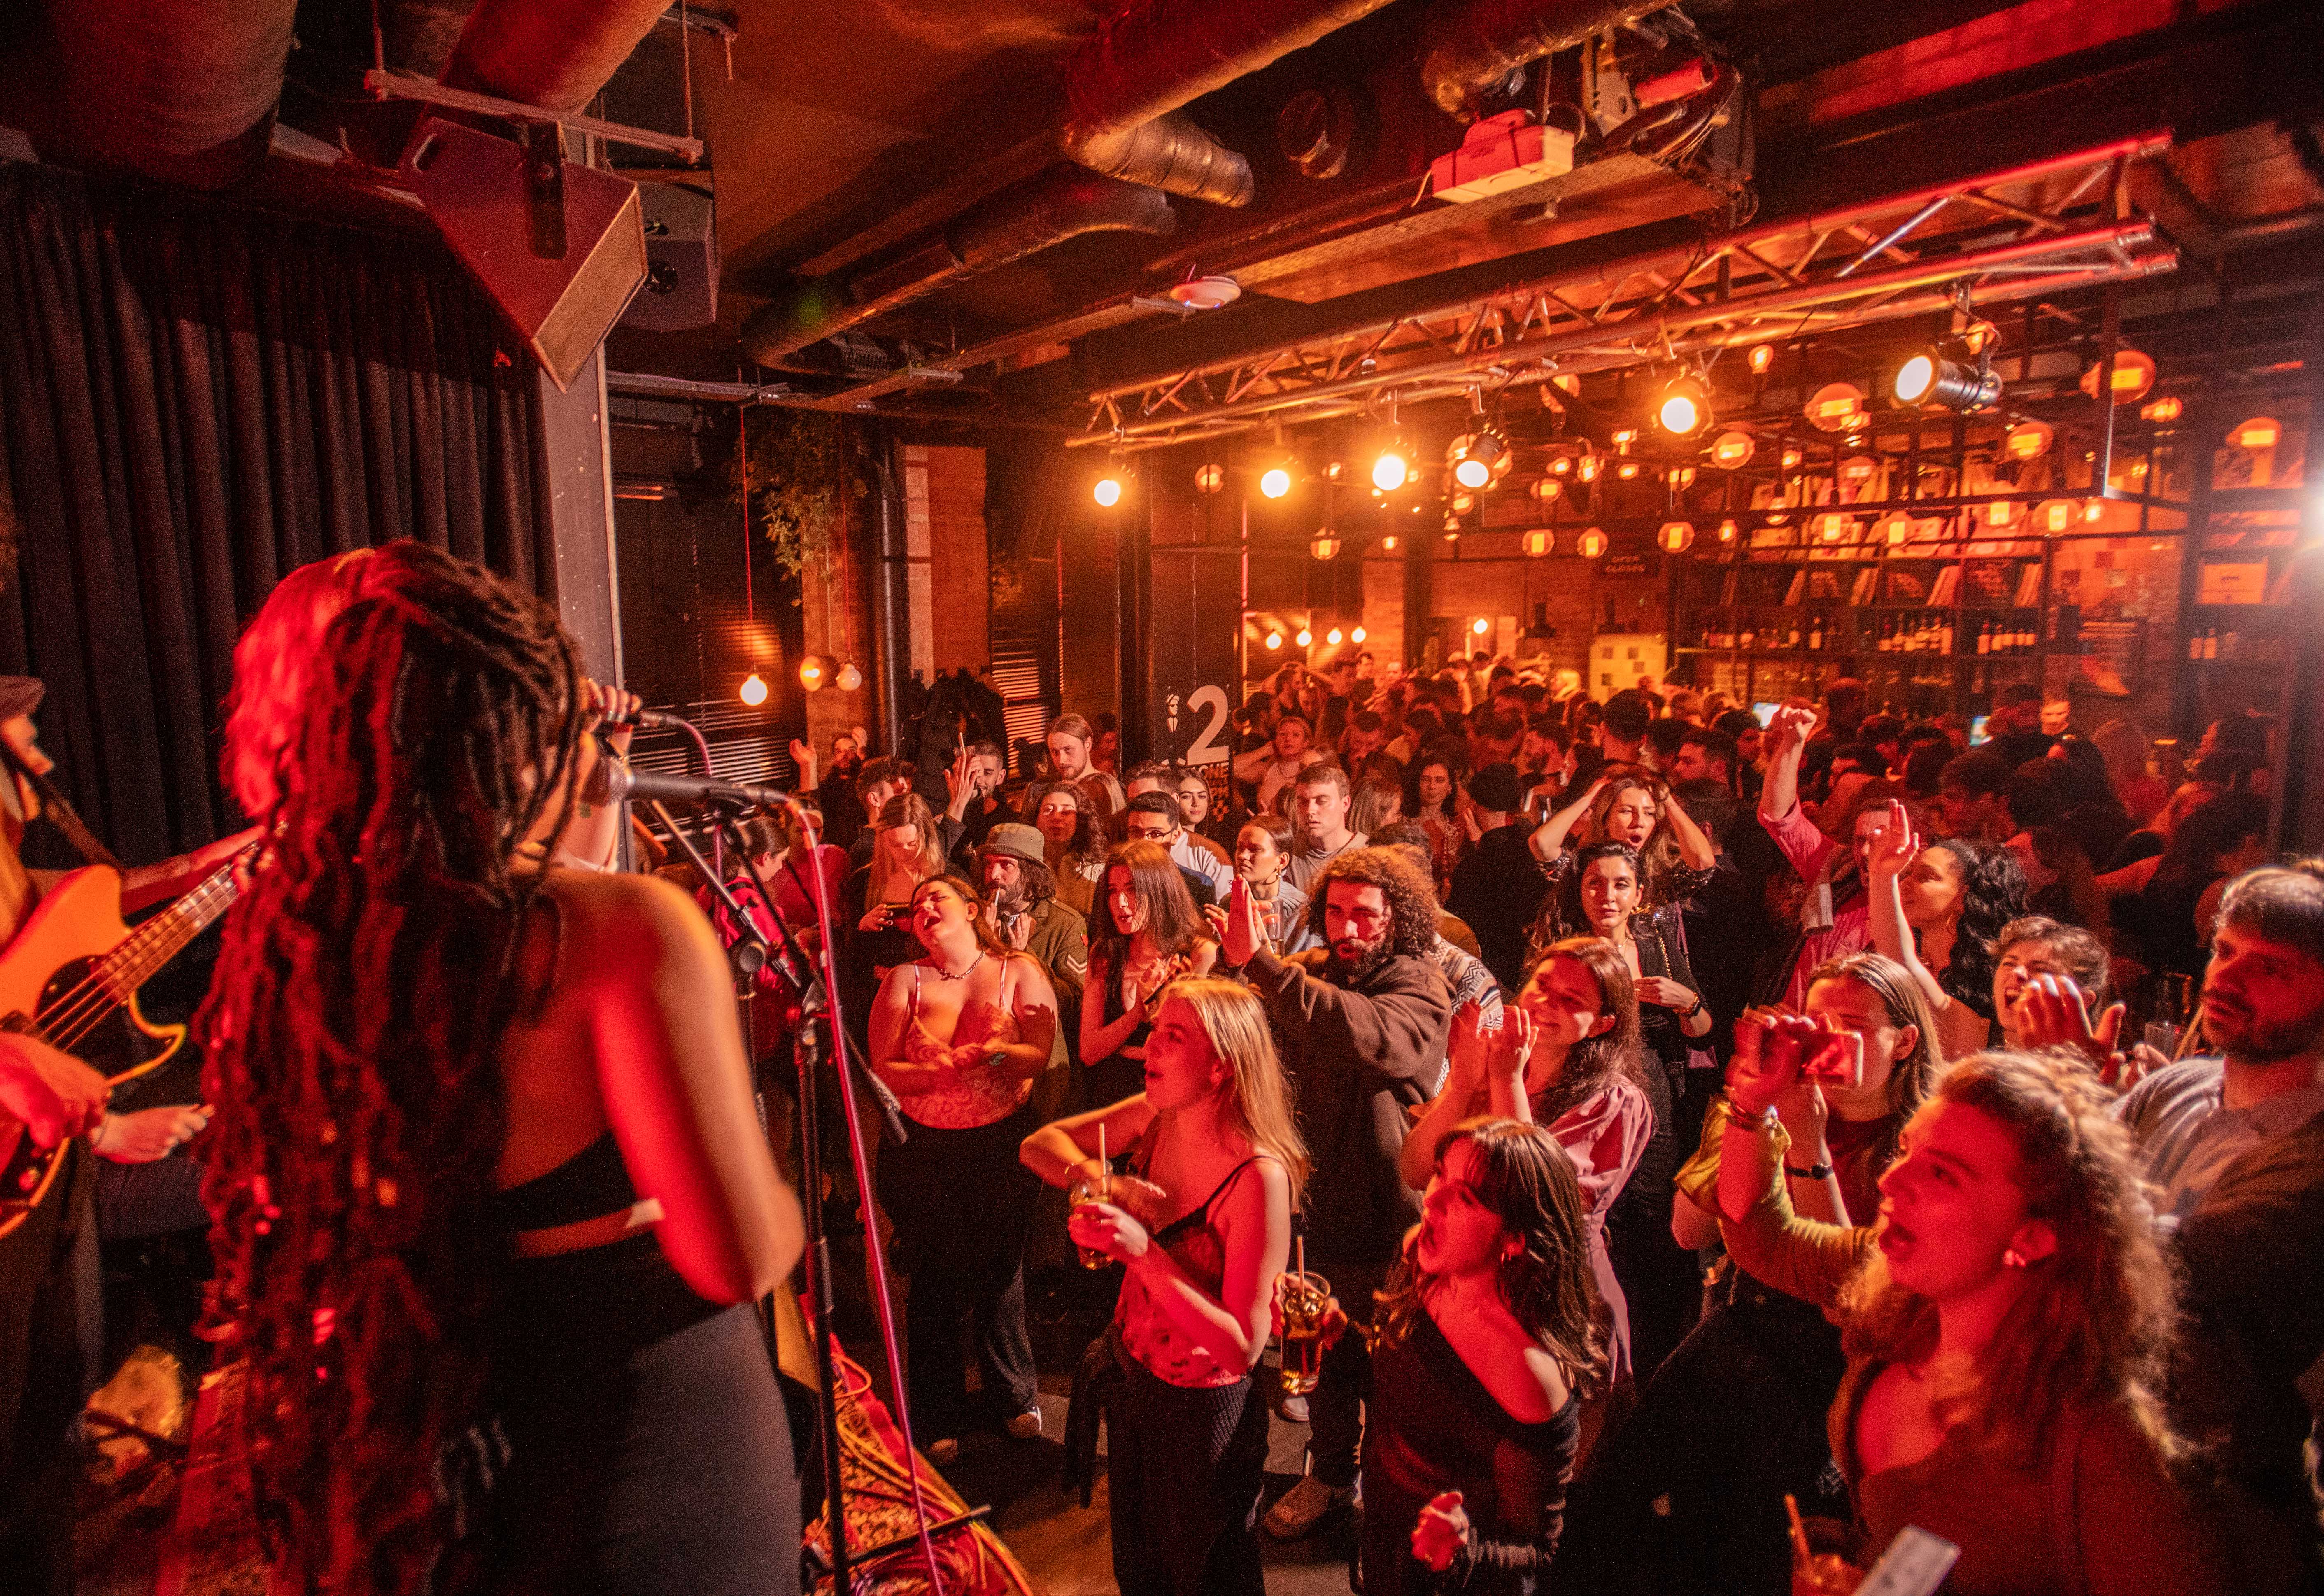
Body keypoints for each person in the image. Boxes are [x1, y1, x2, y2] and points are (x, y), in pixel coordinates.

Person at [197, 544, 806, 1594]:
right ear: (505, 712)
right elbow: (738, 1255)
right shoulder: (620, 931)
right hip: (647, 1415)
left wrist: (577, 807)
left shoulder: (310, 940)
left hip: (440, 1405)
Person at [1563, 953, 1939, 1596]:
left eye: (1850, 1022)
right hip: (1742, 1337)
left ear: (1904, 1040)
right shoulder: (1768, 1109)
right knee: (1622, 1510)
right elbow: (1689, 1229)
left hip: (1828, 1373)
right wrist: (1745, 1110)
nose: (1826, 1039)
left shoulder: (1918, 1148)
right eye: (1814, 1021)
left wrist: (1806, 1141)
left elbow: (1847, 1296)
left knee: (1758, 1553)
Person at [1809, 1051, 2234, 1595]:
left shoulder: (2102, 1447)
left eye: (1942, 1173)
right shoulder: (1901, 1332)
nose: (1891, 1182)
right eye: (1904, 1149)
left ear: (2034, 1236)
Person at [1020, 979, 1305, 1596]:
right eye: (1155, 1031)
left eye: (1173, 1037)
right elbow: (1037, 1145)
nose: (1150, 1047)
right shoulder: (1160, 1114)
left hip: (1201, 1416)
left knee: (1204, 1575)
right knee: (1139, 1569)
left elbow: (1243, 1347)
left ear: (1221, 1068)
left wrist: (1143, 1255)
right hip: (1134, 1379)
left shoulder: (1257, 1177)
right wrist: (1102, 1182)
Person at [1213, 853, 1455, 1541]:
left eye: (1365, 913)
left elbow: (1367, 1036)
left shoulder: (1418, 982)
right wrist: (1232, 967)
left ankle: (1390, 1490)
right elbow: (1246, 1027)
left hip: (1390, 1212)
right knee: (1320, 1351)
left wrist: (1261, 963)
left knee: (1391, 1365)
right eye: (1336, 912)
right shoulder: (1310, 972)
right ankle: (1329, 1475)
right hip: (1313, 1203)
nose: (1348, 927)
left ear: (1397, 918)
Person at [1365, 1121, 1608, 1596]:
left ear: (1516, 1237)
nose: (1431, 1202)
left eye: (1467, 1198)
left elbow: (1537, 1552)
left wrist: (1461, 1551)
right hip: (1382, 1542)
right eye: (1440, 1175)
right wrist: (1339, 1340)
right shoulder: (1421, 1257)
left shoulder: (1527, 1373)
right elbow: (1401, 1388)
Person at [1400, 941, 1650, 1396]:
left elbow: (1535, 1203)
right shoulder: (1499, 1059)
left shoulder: (1616, 1101)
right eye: (1541, 985)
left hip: (1551, 1294)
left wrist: (1505, 1080)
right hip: (1473, 1283)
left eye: (1571, 1001)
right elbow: (1416, 1170)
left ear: (1603, 1024)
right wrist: (1461, 1084)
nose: (1546, 1003)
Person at [867, 873, 1060, 1460]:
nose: (925, 907)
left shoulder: (1015, 970)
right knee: (933, 1280)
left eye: (938, 897)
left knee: (1001, 1272)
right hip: (924, 1150)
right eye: (918, 903)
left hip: (999, 1145)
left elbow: (1039, 1052)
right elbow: (882, 1066)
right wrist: (935, 1072)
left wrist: (993, 1053)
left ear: (972, 909)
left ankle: (1012, 1395)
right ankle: (936, 1411)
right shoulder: (907, 978)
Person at [1757, 706, 1909, 1009]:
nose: (1865, 852)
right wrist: (1791, 743)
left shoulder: (1917, 905)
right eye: (1860, 840)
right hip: (1796, 1029)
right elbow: (1777, 815)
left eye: (1880, 841)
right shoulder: (1837, 868)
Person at [1861, 800, 2026, 1060]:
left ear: (1965, 897)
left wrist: (1883, 878)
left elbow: (1901, 962)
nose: (1904, 884)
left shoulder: (1993, 984)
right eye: (1908, 872)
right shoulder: (1879, 950)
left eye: (1925, 876)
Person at [1083, 841, 1220, 1108]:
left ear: (1160, 892)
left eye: (1132, 890)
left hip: (1176, 1091)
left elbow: (1203, 1049)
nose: (1120, 902)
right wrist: (1135, 1015)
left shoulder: (1199, 953)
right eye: (1113, 891)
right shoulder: (1105, 954)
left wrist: (1178, 999)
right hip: (1116, 1090)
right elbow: (1089, 1051)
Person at [2115, 790, 2271, 981]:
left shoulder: (2159, 866)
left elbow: (2084, 888)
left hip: (2154, 997)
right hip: (2195, 1001)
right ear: (2251, 841)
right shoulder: (2226, 893)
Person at [976, 823, 1089, 1075]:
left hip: (1038, 1062)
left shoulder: (1065, 923)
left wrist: (1027, 958)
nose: (993, 874)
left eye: (1006, 865)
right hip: (981, 1053)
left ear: (1029, 872)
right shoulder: (972, 916)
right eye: (989, 863)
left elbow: (1075, 1003)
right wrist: (981, 942)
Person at [1446, 763, 1550, 993]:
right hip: (1525, 967)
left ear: (1476, 805)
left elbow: (1458, 923)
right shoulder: (1533, 850)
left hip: (1485, 972)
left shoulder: (1473, 866)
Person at [1122, 790, 1230, 906]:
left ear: (1175, 837)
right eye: (1135, 832)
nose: (1143, 841)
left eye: (1155, 834)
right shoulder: (1114, 881)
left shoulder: (1199, 886)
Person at [1231, 811, 1315, 955]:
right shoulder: (1231, 902)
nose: (1242, 856)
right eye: (1240, 847)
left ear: (1282, 861)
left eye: (1255, 849)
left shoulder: (1302, 913)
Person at [1025, 778, 1109, 920]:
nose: (1056, 817)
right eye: (1048, 810)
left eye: (1067, 811)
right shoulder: (1024, 867)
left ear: (1081, 819)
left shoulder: (1099, 869)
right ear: (1036, 819)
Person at [1285, 763, 1369, 895]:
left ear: (1345, 804)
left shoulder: (1369, 853)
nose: (1309, 810)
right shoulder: (1287, 854)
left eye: (1322, 801)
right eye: (1303, 802)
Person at [1233, 711, 1313, 815]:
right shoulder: (1266, 769)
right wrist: (1265, 751)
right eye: (1283, 734)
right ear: (1276, 740)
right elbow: (1231, 768)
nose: (1288, 739)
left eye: (1296, 735)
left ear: (1305, 743)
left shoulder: (1310, 771)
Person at [1406, 756, 1465, 895]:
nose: (1432, 787)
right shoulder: (1402, 823)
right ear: (1417, 784)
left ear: (1450, 787)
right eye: (1426, 780)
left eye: (1439, 780)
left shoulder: (1457, 829)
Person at [1935, 748, 2013, 844]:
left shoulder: (2018, 853)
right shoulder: (1932, 850)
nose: (1959, 809)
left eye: (1974, 798)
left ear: (2002, 803)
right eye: (1952, 797)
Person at [1981, 680, 2056, 768]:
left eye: (2036, 713)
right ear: (2003, 714)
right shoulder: (1987, 756)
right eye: (2024, 714)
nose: (2032, 722)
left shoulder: (2049, 747)